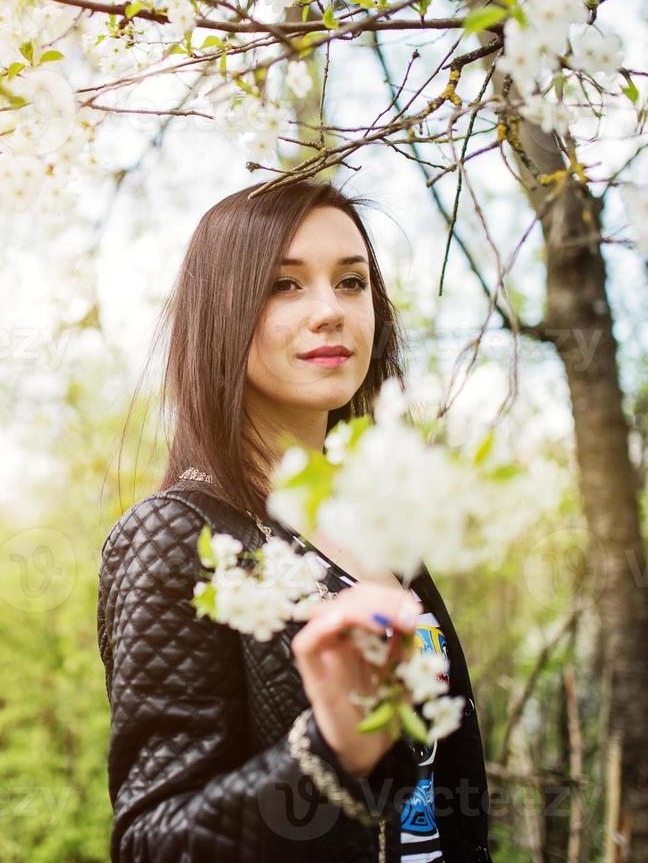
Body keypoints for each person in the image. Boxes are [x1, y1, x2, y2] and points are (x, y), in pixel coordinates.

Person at [97, 179, 494, 862]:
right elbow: (152, 844)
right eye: (285, 285)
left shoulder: (380, 531)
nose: (330, 312)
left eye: (351, 282)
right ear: (221, 315)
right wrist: (330, 752)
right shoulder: (176, 537)